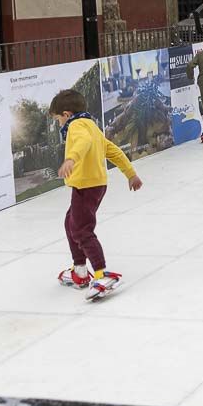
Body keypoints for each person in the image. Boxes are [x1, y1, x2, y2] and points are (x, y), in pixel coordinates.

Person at [50, 89, 143, 301]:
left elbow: (82, 143)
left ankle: (102, 274)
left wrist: (71, 159)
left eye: (57, 120)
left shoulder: (76, 126)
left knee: (82, 230)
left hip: (86, 185)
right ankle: (80, 270)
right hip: (96, 184)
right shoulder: (92, 126)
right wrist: (131, 174)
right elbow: (113, 151)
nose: (59, 124)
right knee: (70, 222)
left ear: (66, 114)